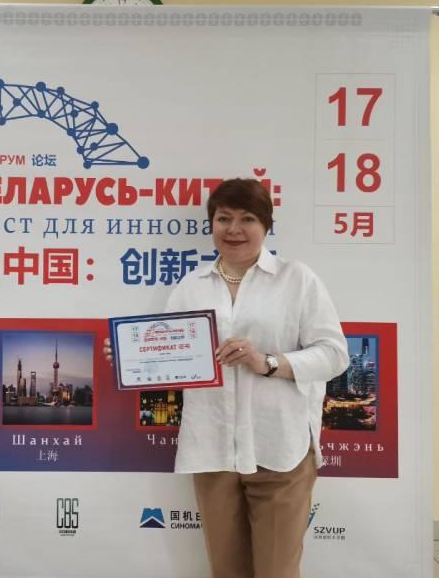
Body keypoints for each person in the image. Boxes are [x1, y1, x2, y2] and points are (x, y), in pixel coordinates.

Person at [105, 178, 348, 578]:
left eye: (247, 218)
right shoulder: (192, 286)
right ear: (212, 224)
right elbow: (168, 358)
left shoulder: (296, 279)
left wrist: (267, 362)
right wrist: (130, 357)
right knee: (226, 570)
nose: (234, 229)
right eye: (223, 218)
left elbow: (334, 355)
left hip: (279, 448)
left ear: (266, 225)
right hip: (213, 448)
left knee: (277, 571)